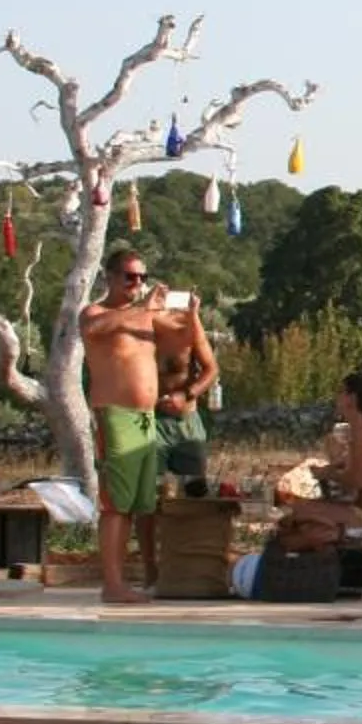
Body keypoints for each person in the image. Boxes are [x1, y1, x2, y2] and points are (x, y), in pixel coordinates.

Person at [77, 249, 168, 604]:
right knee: (115, 503)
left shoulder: (144, 317)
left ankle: (139, 576)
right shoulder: (95, 313)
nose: (137, 283)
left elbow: (181, 341)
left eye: (142, 277)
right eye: (130, 276)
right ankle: (112, 584)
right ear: (111, 277)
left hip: (146, 419)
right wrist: (144, 306)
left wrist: (188, 314)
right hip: (116, 415)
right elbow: (95, 328)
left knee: (137, 505)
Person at [133, 285, 221, 578]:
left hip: (185, 420)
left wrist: (188, 394)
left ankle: (195, 562)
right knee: (148, 494)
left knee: (195, 491)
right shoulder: (141, 328)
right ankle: (150, 566)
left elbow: (210, 369)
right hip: (151, 418)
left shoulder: (188, 327)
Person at [271, 370, 362, 556]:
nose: (336, 397)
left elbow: (358, 480)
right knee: (299, 523)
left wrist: (326, 474)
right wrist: (331, 467)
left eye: (341, 392)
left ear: (351, 398)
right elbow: (352, 467)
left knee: (298, 512)